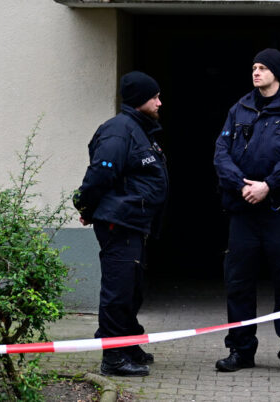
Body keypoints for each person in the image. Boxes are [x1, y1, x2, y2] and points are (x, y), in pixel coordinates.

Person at [213, 48, 280, 377]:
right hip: (242, 211)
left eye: (263, 68)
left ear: (276, 73)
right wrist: (241, 185)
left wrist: (268, 185)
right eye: (254, 67)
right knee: (238, 283)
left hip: (279, 211)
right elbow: (221, 153)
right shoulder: (239, 108)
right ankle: (240, 350)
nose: (256, 72)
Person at [73, 71, 168, 377]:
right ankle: (113, 357)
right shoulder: (119, 131)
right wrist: (85, 207)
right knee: (119, 289)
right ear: (140, 99)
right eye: (155, 97)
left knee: (132, 288)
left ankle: (127, 344)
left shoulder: (139, 129)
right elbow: (100, 175)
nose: (159, 102)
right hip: (120, 222)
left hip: (133, 222)